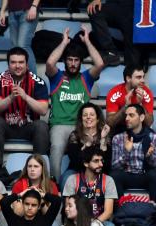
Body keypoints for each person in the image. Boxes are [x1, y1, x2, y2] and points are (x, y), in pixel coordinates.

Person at [45, 25, 104, 179]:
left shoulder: (85, 78)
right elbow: (50, 63)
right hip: (60, 124)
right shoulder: (57, 77)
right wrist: (64, 42)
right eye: (69, 60)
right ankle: (55, 185)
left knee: (92, 150)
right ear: (65, 61)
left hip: (81, 126)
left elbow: (100, 64)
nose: (72, 63)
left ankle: (88, 184)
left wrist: (87, 42)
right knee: (57, 147)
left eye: (76, 60)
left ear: (80, 62)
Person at [0, 47, 49, 171]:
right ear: (8, 64)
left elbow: (43, 110)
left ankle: (40, 168)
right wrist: (11, 98)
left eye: (21, 62)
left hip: (29, 127)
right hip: (6, 126)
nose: (17, 66)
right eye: (13, 62)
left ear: (27, 64)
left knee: (42, 126)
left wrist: (25, 97)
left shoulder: (37, 82)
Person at [110, 103, 156, 204]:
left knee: (155, 175)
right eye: (126, 115)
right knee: (114, 176)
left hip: (144, 175)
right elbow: (114, 166)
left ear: (142, 117)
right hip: (126, 175)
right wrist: (126, 153)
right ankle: (119, 215)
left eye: (131, 115)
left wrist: (149, 156)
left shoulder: (154, 138)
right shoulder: (118, 138)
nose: (126, 118)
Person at [62, 146, 118, 226]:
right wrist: (82, 224)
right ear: (86, 163)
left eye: (101, 161)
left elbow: (108, 212)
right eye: (96, 161)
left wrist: (93, 225)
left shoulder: (108, 180)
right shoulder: (73, 180)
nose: (100, 164)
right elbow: (68, 208)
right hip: (77, 220)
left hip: (99, 220)